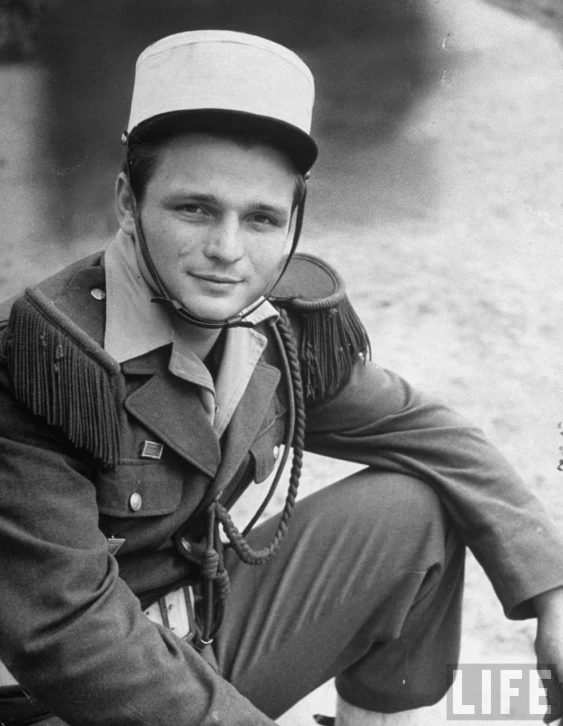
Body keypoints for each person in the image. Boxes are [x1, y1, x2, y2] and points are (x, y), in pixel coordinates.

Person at [0, 29, 562, 726]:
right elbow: (69, 638)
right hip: (69, 698)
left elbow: (423, 429)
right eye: (193, 208)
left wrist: (552, 593)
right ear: (126, 202)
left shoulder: (275, 331)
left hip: (196, 634)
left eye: (261, 218)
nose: (226, 252)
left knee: (413, 506)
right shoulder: (40, 362)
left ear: (293, 223)